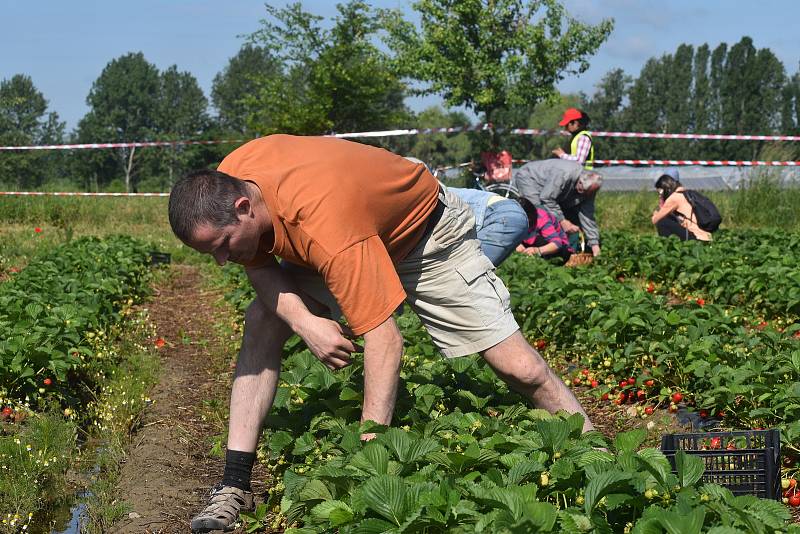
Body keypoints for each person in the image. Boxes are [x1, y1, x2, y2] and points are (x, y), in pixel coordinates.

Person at [167, 135, 595, 531]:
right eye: (210, 252)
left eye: (223, 246)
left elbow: (385, 338)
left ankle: (596, 451)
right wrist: (305, 323)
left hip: (426, 238)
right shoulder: (229, 182)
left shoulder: (324, 224)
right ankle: (234, 483)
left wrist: (370, 459)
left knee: (518, 367)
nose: (223, 261)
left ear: (244, 207)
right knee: (263, 319)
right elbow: (261, 268)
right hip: (349, 225)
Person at [514, 159, 603, 257]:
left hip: (548, 190)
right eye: (581, 190)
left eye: (586, 193)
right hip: (530, 178)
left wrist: (595, 244)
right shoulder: (564, 174)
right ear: (580, 181)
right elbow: (547, 198)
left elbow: (587, 215)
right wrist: (562, 220)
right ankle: (528, 249)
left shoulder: (588, 190)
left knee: (569, 216)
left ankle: (566, 251)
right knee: (537, 212)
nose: (582, 194)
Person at [448, 187, 529, 267]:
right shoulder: (442, 189)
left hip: (499, 214)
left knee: (464, 271)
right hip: (507, 211)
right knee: (473, 273)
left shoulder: (438, 195)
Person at [651, 168, 712, 242]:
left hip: (697, 237)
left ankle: (667, 249)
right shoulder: (685, 193)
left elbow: (655, 220)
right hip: (705, 237)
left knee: (662, 222)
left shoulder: (674, 198)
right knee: (670, 218)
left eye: (660, 191)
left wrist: (657, 210)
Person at [515, 197, 573, 262]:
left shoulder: (542, 218)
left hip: (559, 249)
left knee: (539, 240)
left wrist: (537, 250)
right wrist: (516, 245)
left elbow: (557, 244)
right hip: (530, 244)